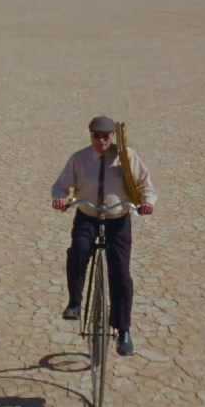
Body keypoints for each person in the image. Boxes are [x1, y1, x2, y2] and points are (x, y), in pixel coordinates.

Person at [51, 115, 157, 356]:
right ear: (90, 135)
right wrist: (59, 199)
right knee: (77, 252)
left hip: (118, 218)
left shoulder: (127, 157)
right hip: (87, 215)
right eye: (96, 136)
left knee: (120, 272)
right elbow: (60, 186)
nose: (101, 141)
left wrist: (148, 203)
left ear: (113, 136)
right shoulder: (79, 159)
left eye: (106, 136)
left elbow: (145, 184)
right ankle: (74, 303)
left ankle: (124, 330)